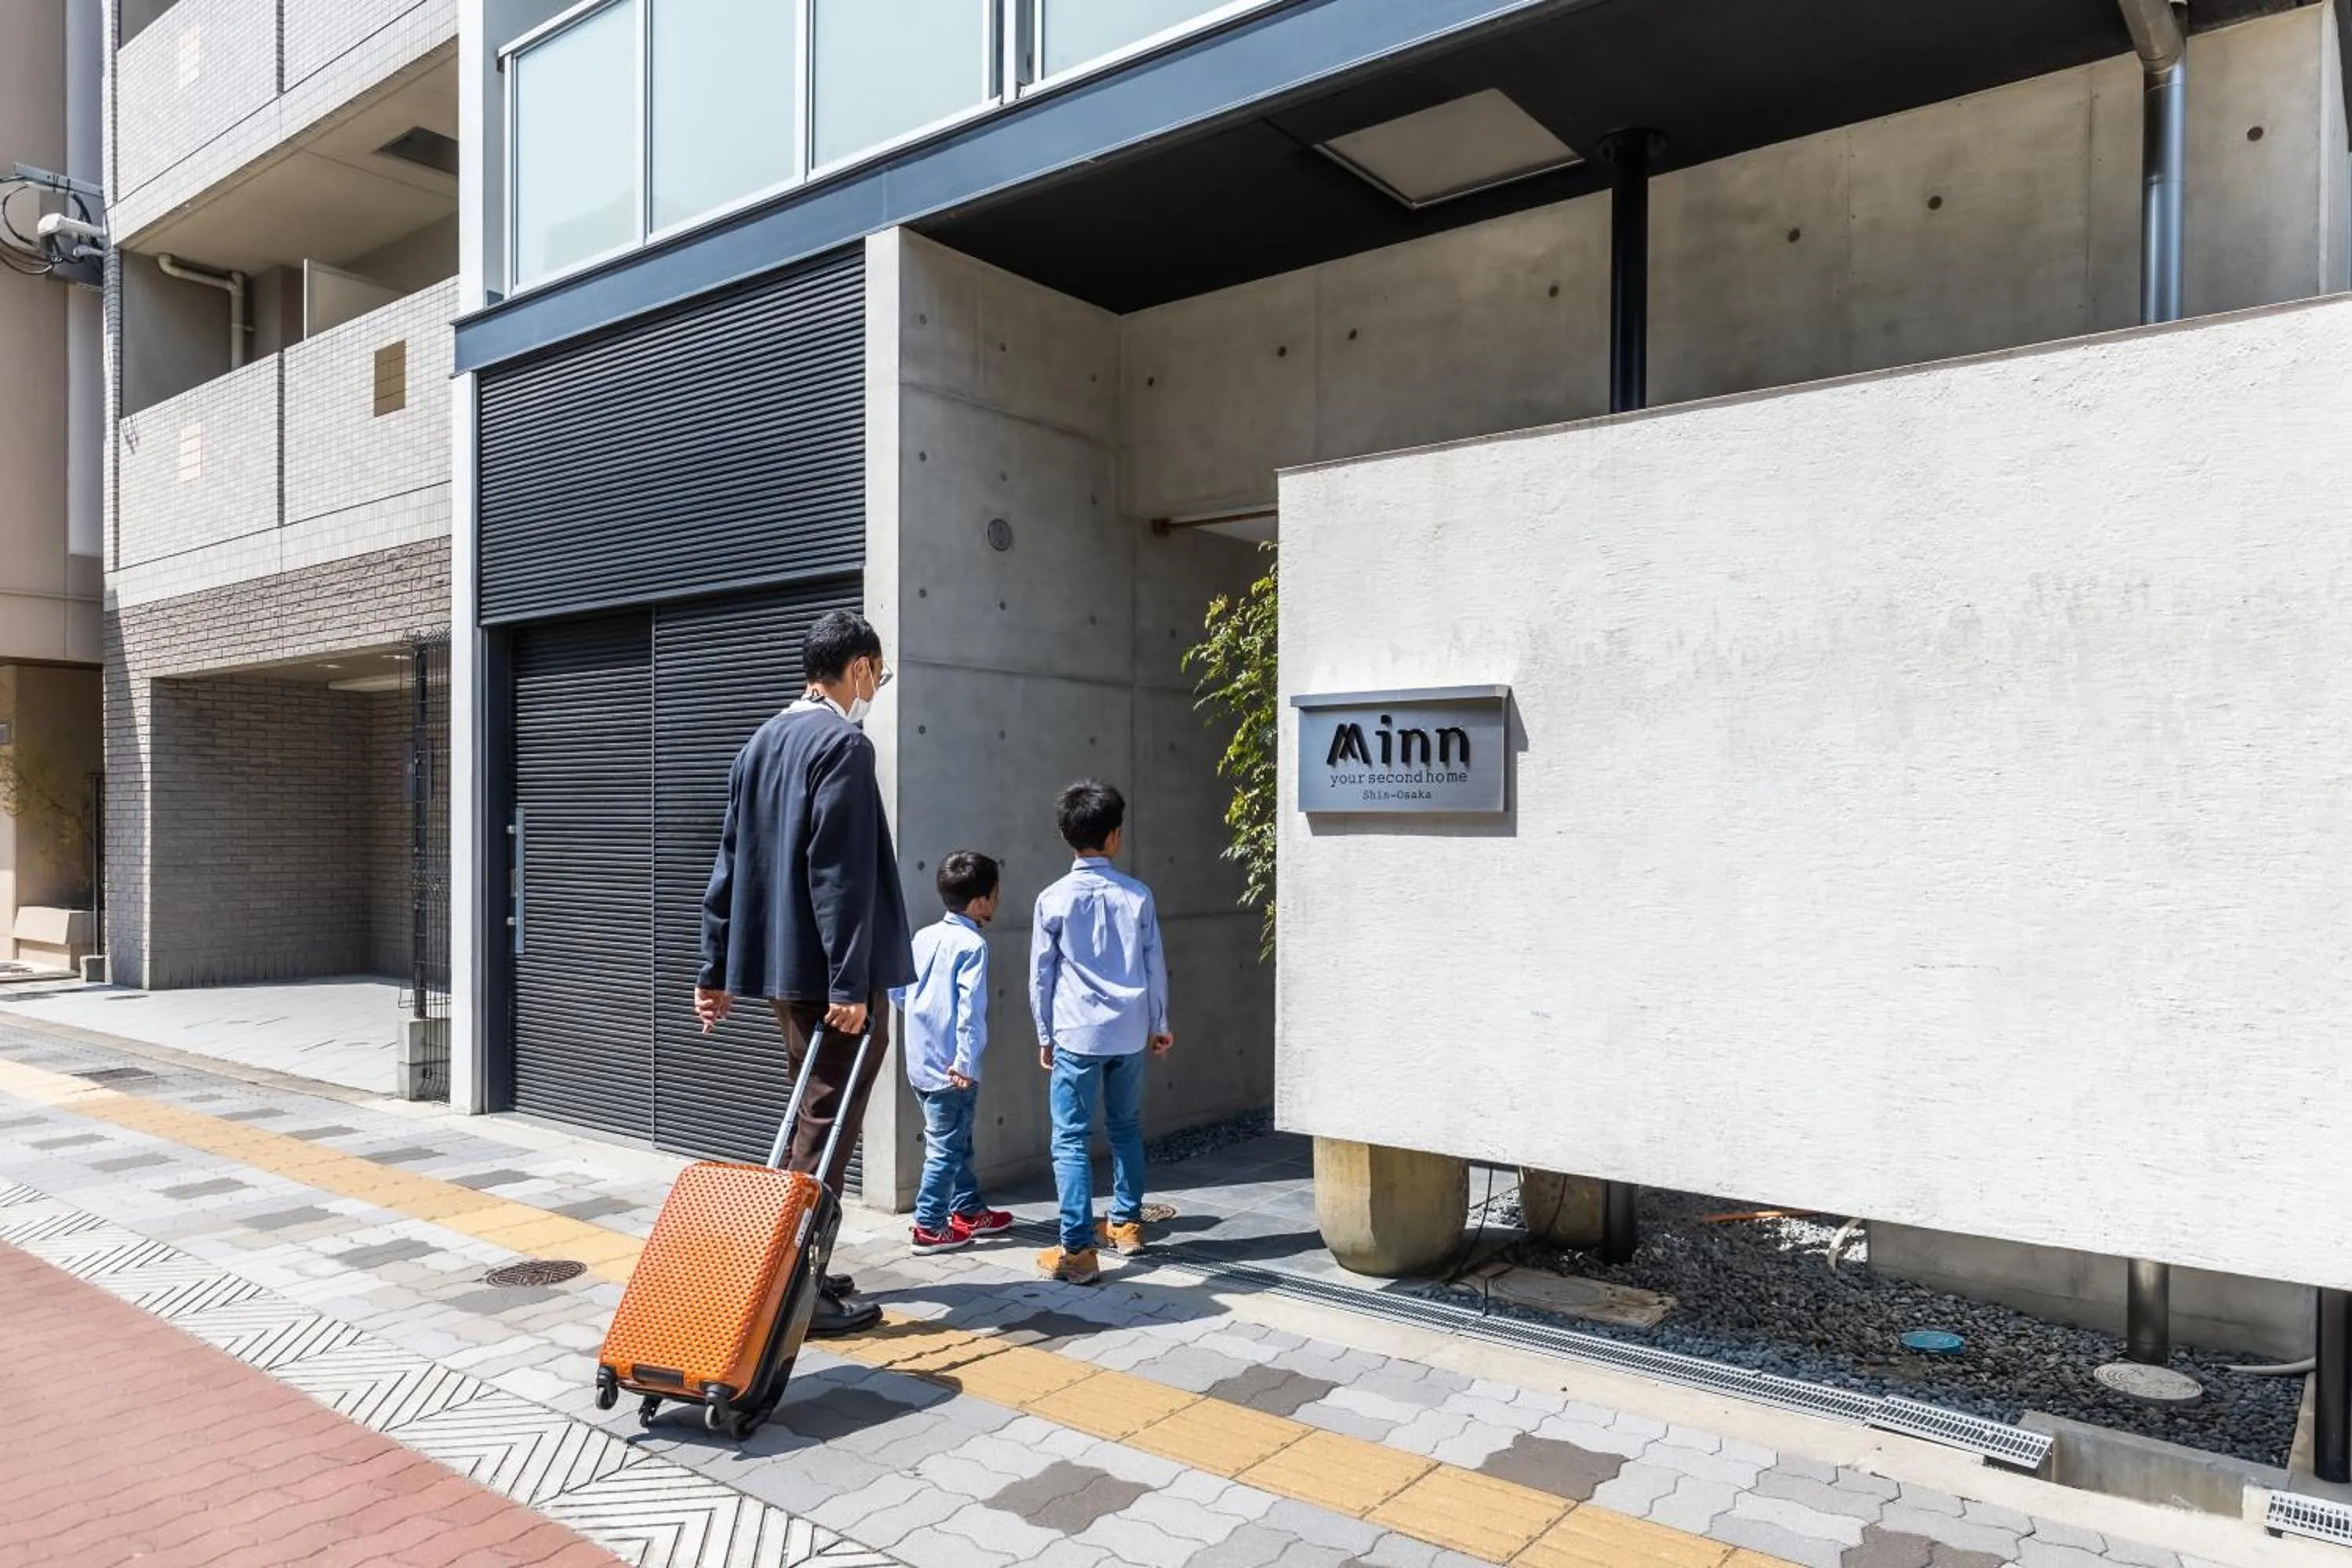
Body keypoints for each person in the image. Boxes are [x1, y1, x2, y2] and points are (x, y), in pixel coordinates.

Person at [695, 608, 914, 1336]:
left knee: (807, 1115)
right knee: (824, 1130)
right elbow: (840, 874)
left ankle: (798, 1266)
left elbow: (729, 861)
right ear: (859, 668)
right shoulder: (843, 744)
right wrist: (851, 983)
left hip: (783, 974)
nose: (876, 689)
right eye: (878, 676)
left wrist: (715, 969)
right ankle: (793, 1290)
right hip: (833, 981)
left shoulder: (759, 743)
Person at [1029, 779, 1174, 1285]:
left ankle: (1076, 1250)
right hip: (1130, 1031)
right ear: (1115, 836)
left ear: (1064, 834)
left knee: (1070, 1138)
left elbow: (1042, 974)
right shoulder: (1138, 895)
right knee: (1126, 1127)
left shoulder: (1052, 899)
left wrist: (1044, 1032)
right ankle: (1127, 1225)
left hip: (1076, 1032)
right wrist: (1159, 1023)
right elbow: (1154, 964)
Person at [890, 851, 1015, 1255]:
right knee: (945, 1150)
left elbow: (897, 991)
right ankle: (929, 1226)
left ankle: (968, 1210)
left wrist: (924, 1021)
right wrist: (964, 1061)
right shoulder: (972, 945)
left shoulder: (923, 937)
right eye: (995, 894)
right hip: (952, 1069)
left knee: (957, 1141)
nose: (998, 900)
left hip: (921, 1061)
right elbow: (970, 1012)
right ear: (980, 902)